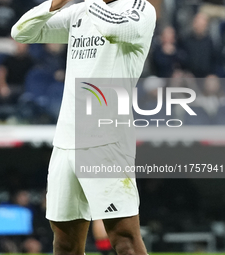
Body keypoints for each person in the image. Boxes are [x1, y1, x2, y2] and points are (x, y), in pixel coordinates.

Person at [11, 0, 156, 255]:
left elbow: (116, 29)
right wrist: (57, 3)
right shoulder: (79, 12)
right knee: (65, 243)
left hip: (106, 141)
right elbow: (21, 32)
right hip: (65, 141)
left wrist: (90, 3)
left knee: (124, 238)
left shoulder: (140, 8)